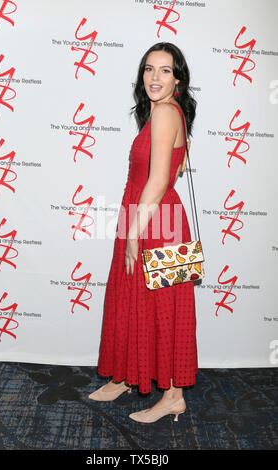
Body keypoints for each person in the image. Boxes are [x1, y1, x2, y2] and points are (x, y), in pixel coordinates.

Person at [88, 42, 198, 424]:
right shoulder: (158, 114)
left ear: (177, 79)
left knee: (163, 309)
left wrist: (134, 232)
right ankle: (126, 376)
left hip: (156, 221)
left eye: (165, 70)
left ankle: (173, 396)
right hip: (143, 215)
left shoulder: (167, 113)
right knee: (131, 299)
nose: (155, 77)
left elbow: (157, 181)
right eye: (149, 69)